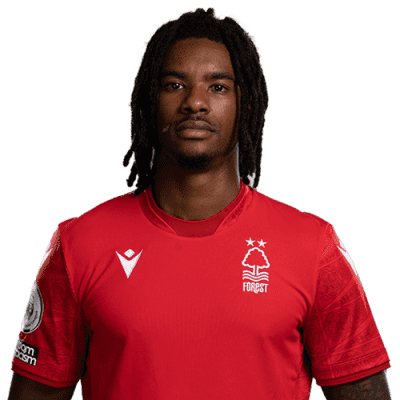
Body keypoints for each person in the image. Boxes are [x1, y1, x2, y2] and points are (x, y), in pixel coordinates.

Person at [8, 7, 392, 400]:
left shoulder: (312, 247)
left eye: (218, 87)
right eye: (174, 85)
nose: (195, 102)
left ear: (246, 103)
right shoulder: (79, 245)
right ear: (149, 101)